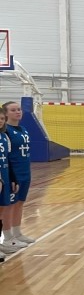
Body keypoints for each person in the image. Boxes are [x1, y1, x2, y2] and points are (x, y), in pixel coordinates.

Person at [3, 101, 35, 248]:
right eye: (13, 110)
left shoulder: (23, 129)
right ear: (6, 113)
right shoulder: (5, 131)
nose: (18, 112)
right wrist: (11, 176)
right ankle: (8, 237)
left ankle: (17, 233)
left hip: (25, 172)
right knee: (9, 205)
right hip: (12, 174)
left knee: (20, 203)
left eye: (19, 109)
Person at [0, 109, 18, 259]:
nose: (0, 121)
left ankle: (3, 243)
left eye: (2, 118)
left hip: (5, 177)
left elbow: (8, 159)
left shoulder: (5, 137)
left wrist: (13, 178)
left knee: (1, 211)